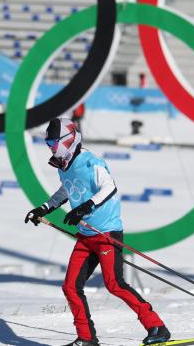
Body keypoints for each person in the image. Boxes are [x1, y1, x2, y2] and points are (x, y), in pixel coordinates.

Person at [24, 118, 169, 346]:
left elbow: (109, 187)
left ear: (69, 139)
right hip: (86, 236)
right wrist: (44, 208)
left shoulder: (91, 162)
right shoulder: (64, 164)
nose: (51, 147)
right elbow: (67, 189)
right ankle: (86, 338)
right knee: (71, 287)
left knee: (115, 284)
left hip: (106, 234)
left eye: (54, 142)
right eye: (48, 142)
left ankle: (157, 327)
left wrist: (84, 207)